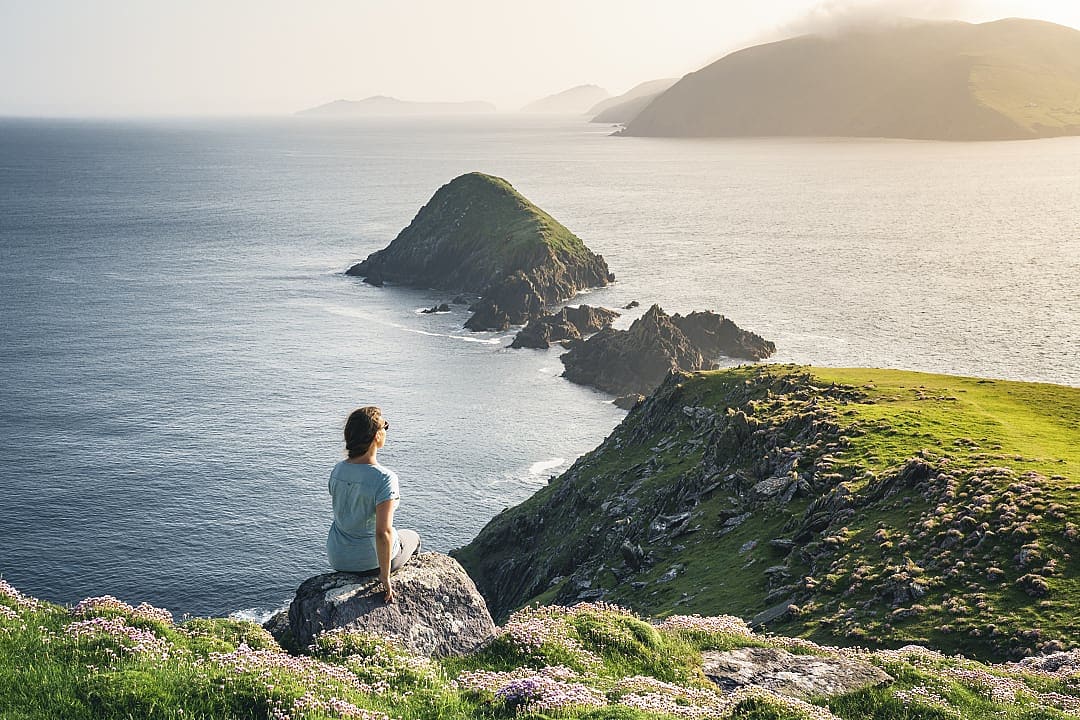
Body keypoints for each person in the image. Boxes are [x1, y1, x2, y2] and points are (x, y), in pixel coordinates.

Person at [326, 406, 421, 603]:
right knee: (413, 537)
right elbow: (382, 532)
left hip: (338, 557)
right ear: (376, 436)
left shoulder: (337, 470)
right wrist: (385, 577)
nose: (386, 430)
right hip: (370, 560)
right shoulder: (384, 478)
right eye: (384, 426)